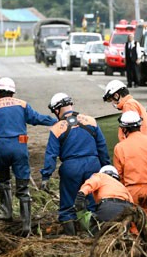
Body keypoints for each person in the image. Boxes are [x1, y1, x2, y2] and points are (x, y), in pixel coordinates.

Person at [0, 77, 57, 237]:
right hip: (19, 146)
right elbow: (37, 118)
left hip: (1, 147)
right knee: (23, 185)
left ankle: (6, 212)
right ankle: (26, 224)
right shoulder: (22, 105)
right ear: (12, 92)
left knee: (3, 180)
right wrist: (56, 121)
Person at [40, 92, 111, 235]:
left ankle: (71, 237)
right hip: (93, 164)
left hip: (71, 167)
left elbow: (51, 154)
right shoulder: (90, 121)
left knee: (68, 204)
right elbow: (102, 147)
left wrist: (46, 175)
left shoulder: (57, 128)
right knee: (93, 201)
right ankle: (94, 234)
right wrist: (105, 167)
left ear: (57, 110)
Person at [114, 111, 147, 229]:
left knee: (135, 222)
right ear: (140, 125)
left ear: (124, 129)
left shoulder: (120, 147)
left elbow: (119, 175)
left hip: (132, 189)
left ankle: (138, 246)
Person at [75, 165, 134, 230]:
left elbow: (91, 183)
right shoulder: (122, 186)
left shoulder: (101, 176)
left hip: (108, 208)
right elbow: (132, 203)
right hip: (127, 211)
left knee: (96, 230)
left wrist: (81, 194)